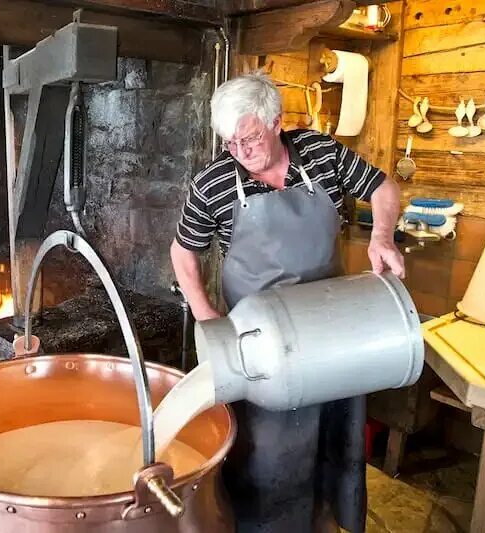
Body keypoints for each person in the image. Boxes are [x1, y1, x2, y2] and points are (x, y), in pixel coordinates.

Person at [170, 72, 405, 532]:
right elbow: (183, 252)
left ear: (277, 122)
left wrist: (381, 236)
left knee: (338, 441)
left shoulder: (319, 153)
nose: (240, 152)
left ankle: (329, 522)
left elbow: (382, 188)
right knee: (270, 456)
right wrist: (207, 318)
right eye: (230, 144)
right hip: (262, 346)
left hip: (333, 329)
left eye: (249, 138)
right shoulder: (213, 183)